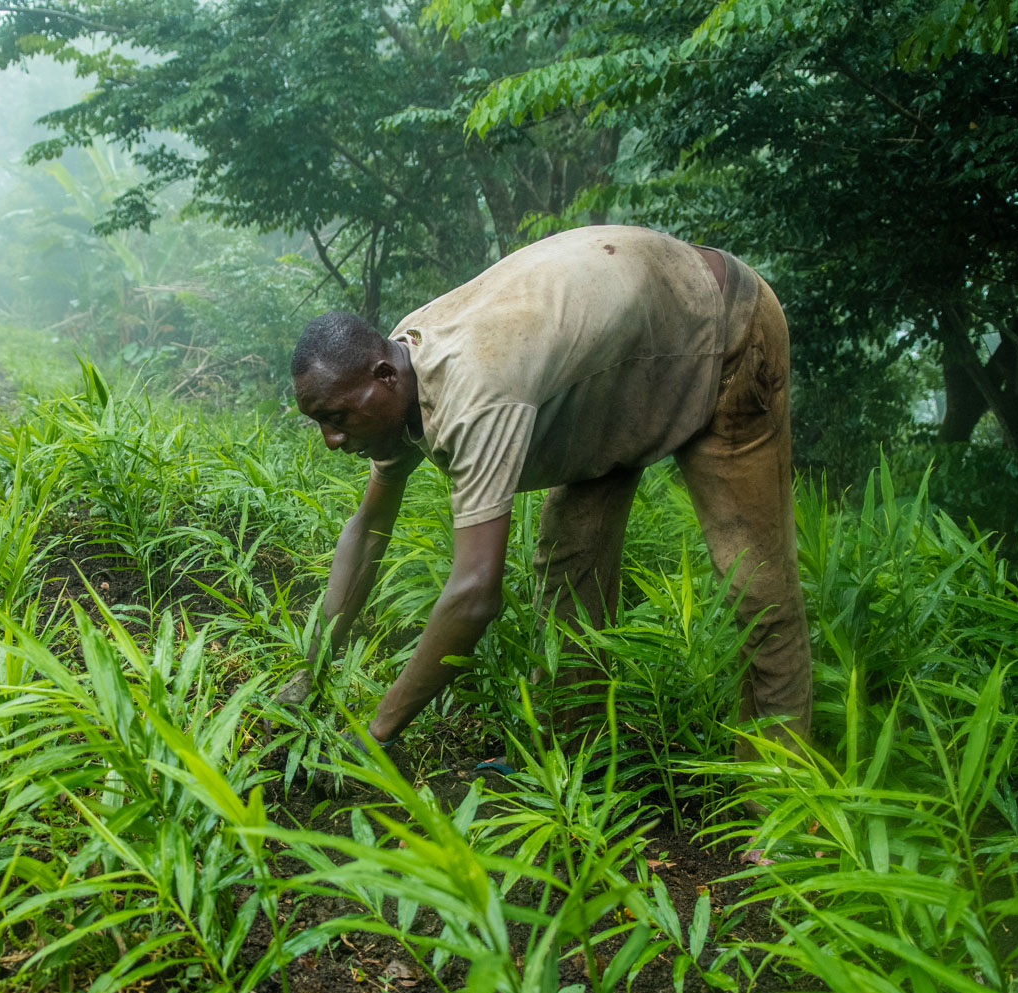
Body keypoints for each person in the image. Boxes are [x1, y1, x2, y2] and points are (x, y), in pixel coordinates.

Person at [282, 225, 810, 761]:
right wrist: (310, 669)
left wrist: (377, 733)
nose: (332, 440)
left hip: (722, 325)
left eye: (336, 418)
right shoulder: (400, 368)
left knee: (755, 582)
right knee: (571, 559)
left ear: (383, 376)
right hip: (620, 366)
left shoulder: (474, 393)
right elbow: (369, 532)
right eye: (321, 423)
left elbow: (474, 594)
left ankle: (781, 803)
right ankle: (566, 760)